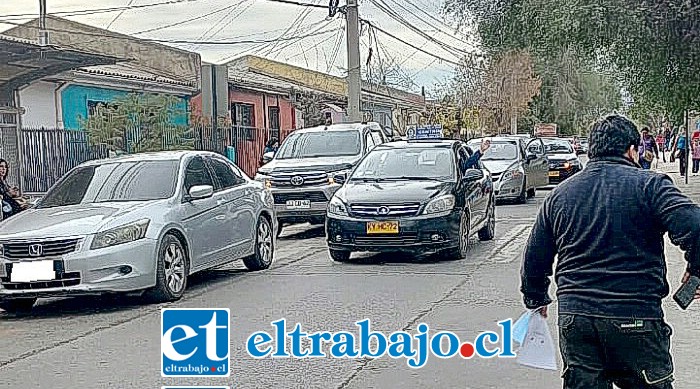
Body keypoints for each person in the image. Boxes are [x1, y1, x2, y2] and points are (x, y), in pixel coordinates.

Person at [521, 114, 700, 389]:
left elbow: (535, 256)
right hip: (636, 317)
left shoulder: (560, 195)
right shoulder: (650, 186)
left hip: (577, 319)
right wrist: (695, 269)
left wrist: (535, 297)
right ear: (631, 150)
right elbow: (695, 226)